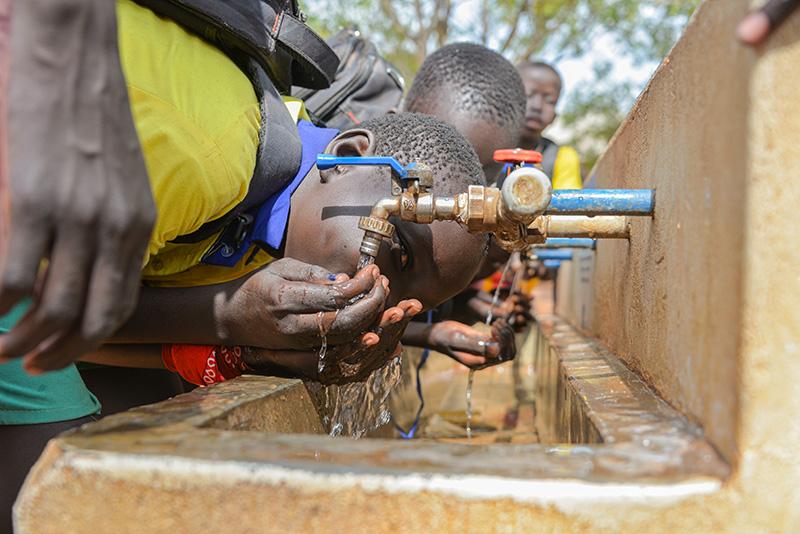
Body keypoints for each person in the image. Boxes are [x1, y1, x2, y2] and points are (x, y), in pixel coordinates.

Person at [86, 112, 495, 384]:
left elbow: (82, 343)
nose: (382, 296)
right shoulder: (206, 164)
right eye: (399, 253)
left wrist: (243, 354)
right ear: (348, 156)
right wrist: (228, 317)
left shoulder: (276, 234)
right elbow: (32, 313)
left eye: (410, 306)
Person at [400, 42, 527, 368]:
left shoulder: (469, 215)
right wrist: (432, 335)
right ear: (397, 120)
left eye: (475, 174)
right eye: (435, 160)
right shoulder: (349, 184)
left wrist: (463, 304)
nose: (452, 189)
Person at [516, 60, 582, 190]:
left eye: (549, 101)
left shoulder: (562, 158)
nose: (537, 106)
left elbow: (569, 206)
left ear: (555, 116)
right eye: (528, 95)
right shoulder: (487, 149)